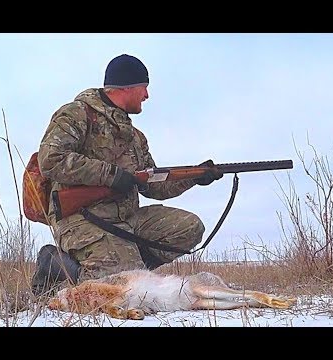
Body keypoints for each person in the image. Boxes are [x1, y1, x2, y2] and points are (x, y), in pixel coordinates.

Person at [31, 54, 223, 296]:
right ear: (128, 87)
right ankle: (55, 264)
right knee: (125, 288)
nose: (147, 95)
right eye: (144, 87)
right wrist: (111, 175)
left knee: (189, 227)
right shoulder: (77, 113)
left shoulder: (136, 137)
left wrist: (195, 177)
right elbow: (51, 158)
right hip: (81, 219)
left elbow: (153, 186)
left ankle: (126, 265)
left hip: (127, 220)